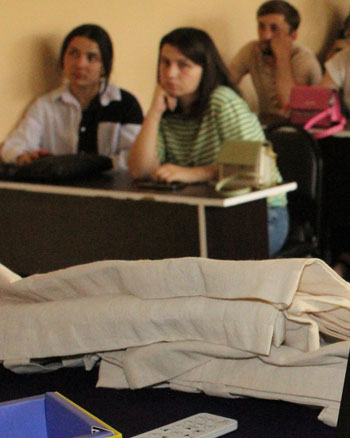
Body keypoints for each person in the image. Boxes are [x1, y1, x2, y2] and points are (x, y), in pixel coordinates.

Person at [128, 28, 289, 255]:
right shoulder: (166, 109)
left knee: (212, 266)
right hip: (200, 214)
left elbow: (254, 167)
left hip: (260, 215)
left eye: (183, 65)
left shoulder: (222, 101)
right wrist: (154, 112)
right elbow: (140, 170)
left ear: (205, 69)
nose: (171, 73)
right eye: (165, 63)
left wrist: (195, 173)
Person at [1, 24, 142, 170]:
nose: (80, 64)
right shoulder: (45, 105)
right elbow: (13, 146)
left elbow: (134, 157)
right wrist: (24, 157)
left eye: (91, 58)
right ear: (63, 59)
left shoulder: (125, 104)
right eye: (73, 54)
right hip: (58, 183)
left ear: (104, 67)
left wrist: (87, 167)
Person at [230, 0, 324, 126]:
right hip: (268, 126)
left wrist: (282, 57)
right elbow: (225, 83)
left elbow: (288, 104)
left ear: (293, 36)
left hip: (302, 128)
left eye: (274, 29)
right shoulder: (251, 51)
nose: (265, 35)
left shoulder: (304, 59)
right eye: (261, 26)